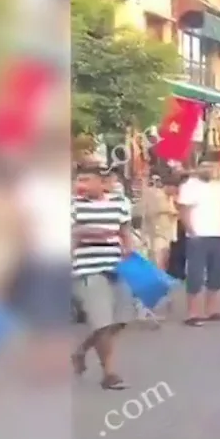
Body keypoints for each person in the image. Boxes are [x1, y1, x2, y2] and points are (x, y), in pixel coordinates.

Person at [71, 164, 135, 390]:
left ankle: (81, 351)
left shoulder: (119, 204)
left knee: (119, 321)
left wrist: (129, 251)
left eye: (87, 180)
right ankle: (109, 374)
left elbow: (124, 232)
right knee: (102, 323)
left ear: (102, 182)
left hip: (117, 267)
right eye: (79, 180)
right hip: (87, 268)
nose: (81, 185)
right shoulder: (72, 206)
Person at [176, 164, 220, 326]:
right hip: (199, 235)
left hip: (218, 234)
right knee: (195, 274)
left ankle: (212, 310)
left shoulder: (218, 186)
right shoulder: (189, 186)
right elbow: (183, 210)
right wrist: (191, 231)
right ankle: (192, 313)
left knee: (217, 273)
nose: (213, 171)